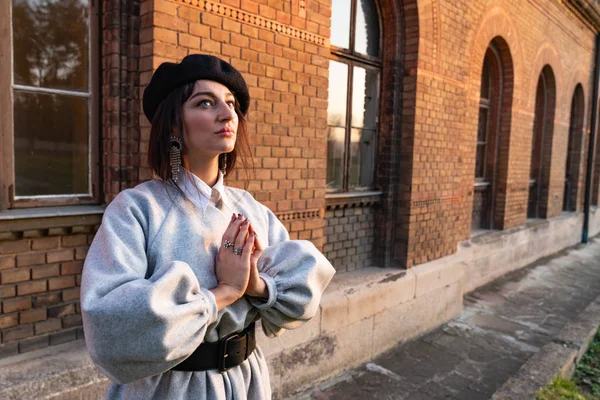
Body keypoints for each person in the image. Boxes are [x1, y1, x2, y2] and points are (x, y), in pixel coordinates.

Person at [81, 54, 335, 399]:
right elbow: (109, 324)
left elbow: (302, 298)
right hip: (167, 388)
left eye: (231, 104)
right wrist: (223, 293)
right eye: (205, 103)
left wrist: (256, 284)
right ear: (173, 123)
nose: (227, 114)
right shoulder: (137, 209)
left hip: (246, 382)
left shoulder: (251, 209)